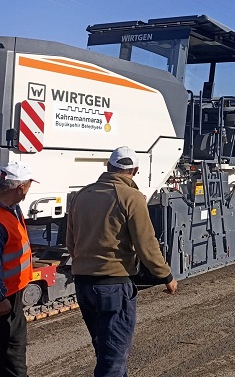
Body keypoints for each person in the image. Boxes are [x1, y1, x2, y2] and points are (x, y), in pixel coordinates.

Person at [67, 146, 177, 377]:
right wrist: (166, 276)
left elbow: (71, 242)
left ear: (108, 167)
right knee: (114, 358)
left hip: (83, 285)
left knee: (106, 352)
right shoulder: (132, 197)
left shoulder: (82, 195)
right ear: (134, 171)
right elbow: (146, 244)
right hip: (113, 287)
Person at [0, 161, 38, 377]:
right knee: (12, 353)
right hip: (5, 299)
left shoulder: (13, 207)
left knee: (13, 347)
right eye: (29, 185)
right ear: (20, 187)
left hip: (13, 293)